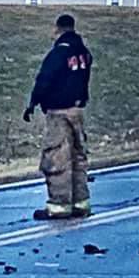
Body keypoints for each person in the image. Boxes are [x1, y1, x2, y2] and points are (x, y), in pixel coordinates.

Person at [24, 14, 93, 220]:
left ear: (58, 29)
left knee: (57, 157)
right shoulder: (84, 53)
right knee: (77, 157)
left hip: (59, 111)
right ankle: (81, 202)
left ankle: (59, 205)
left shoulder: (58, 53)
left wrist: (33, 102)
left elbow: (45, 79)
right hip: (77, 110)